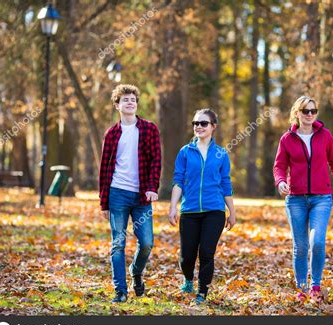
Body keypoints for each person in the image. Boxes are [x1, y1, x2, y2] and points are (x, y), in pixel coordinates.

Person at [273, 95, 333, 303]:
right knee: (300, 246)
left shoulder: (325, 136)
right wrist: (280, 181)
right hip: (295, 199)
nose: (310, 115)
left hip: (321, 198)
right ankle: (301, 288)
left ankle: (315, 286)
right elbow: (279, 166)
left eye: (313, 111)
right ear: (297, 113)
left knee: (317, 242)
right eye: (305, 111)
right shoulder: (287, 139)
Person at [99, 84, 161, 303]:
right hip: (117, 194)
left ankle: (136, 271)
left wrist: (153, 187)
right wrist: (104, 202)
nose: (130, 102)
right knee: (118, 243)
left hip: (141, 196)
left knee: (146, 242)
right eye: (125, 99)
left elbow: (156, 161)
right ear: (117, 105)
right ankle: (120, 290)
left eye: (133, 99)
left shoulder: (149, 129)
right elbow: (104, 168)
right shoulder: (111, 134)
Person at [169, 108, 235, 304]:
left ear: (213, 127)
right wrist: (173, 207)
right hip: (189, 210)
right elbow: (178, 180)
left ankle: (202, 292)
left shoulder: (221, 154)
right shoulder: (185, 152)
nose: (199, 126)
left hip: (214, 210)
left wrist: (232, 211)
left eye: (203, 123)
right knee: (187, 256)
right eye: (196, 123)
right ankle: (188, 279)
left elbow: (225, 183)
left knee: (207, 252)